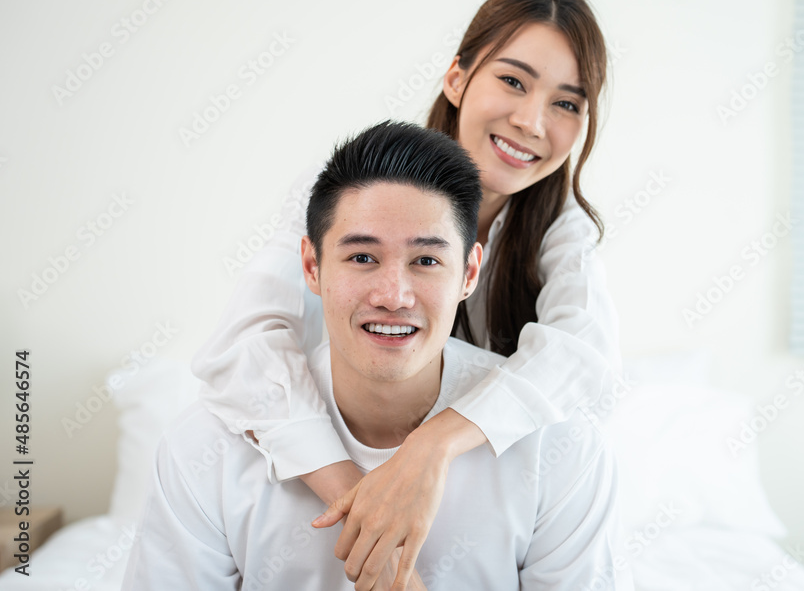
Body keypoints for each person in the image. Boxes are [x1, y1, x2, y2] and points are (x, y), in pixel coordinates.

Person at [191, 0, 621, 590]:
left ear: (469, 270)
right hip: (320, 460)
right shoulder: (353, 188)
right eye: (513, 81)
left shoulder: (563, 233)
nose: (531, 121)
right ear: (456, 79)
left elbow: (582, 360)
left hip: (483, 487)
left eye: (567, 103)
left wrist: (429, 450)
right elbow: (243, 348)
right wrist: (369, 511)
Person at [123, 121, 628, 590]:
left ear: (469, 273)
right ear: (311, 266)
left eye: (426, 260)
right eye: (362, 257)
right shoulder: (206, 447)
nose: (393, 296)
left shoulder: (560, 451)